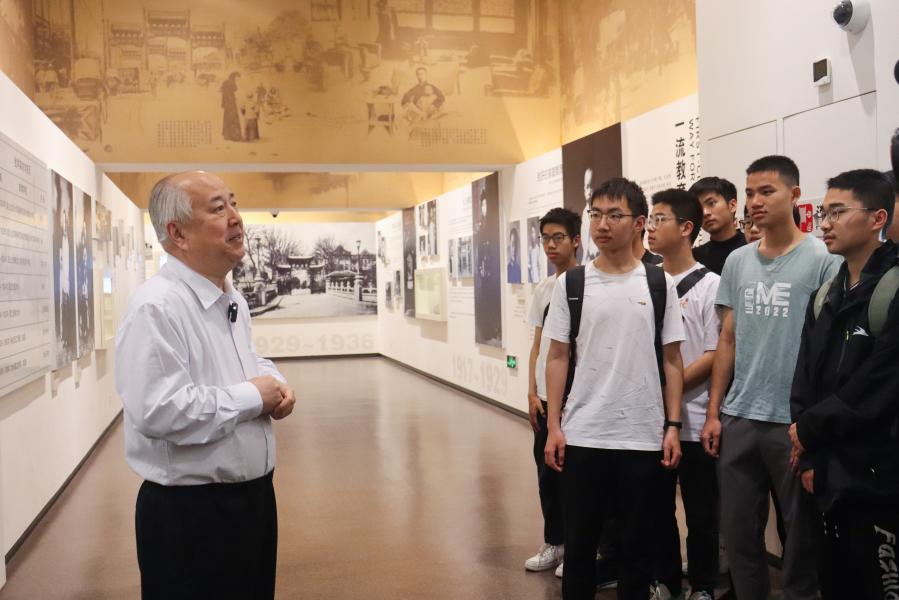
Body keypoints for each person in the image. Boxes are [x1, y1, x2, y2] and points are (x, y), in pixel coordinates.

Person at [116, 171, 297, 599]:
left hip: (251, 502)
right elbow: (160, 410)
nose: (236, 217)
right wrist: (254, 396)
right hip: (193, 515)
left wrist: (275, 382)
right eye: (218, 208)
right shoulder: (157, 307)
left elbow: (245, 360)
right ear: (178, 233)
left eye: (234, 203)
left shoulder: (231, 298)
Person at [701, 156, 841, 600]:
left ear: (794, 195)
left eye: (767, 191)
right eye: (750, 193)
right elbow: (727, 338)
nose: (755, 202)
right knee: (739, 533)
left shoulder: (822, 259)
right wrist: (714, 412)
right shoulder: (738, 261)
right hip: (740, 415)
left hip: (792, 422)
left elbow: (828, 350)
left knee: (801, 538)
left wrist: (813, 424)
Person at [543, 177, 685, 600]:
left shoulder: (659, 284)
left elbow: (672, 359)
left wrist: (673, 425)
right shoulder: (573, 284)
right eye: (596, 214)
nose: (602, 224)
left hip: (642, 437)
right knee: (580, 549)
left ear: (639, 223)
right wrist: (554, 426)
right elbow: (558, 356)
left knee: (636, 552)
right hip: (583, 435)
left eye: (614, 215)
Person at [789, 169, 899, 600]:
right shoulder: (826, 293)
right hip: (827, 472)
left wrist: (810, 429)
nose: (826, 223)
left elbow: (881, 384)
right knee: (834, 581)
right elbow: (805, 378)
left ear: (877, 218)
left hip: (881, 476)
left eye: (837, 212)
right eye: (823, 213)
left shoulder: (893, 288)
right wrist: (808, 453)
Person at [647, 189, 721, 600]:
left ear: (686, 228)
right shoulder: (646, 280)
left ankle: (704, 586)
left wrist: (667, 390)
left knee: (701, 513)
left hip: (693, 419)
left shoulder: (711, 285)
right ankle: (666, 581)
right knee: (657, 509)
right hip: (651, 421)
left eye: (660, 219)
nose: (651, 227)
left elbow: (713, 353)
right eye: (650, 219)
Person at [524, 208, 580, 574]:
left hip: (575, 398)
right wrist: (531, 392)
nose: (551, 245)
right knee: (547, 477)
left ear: (576, 240)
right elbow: (538, 345)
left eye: (558, 237)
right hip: (544, 399)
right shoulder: (544, 288)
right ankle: (555, 542)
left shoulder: (584, 285)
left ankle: (578, 548)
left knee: (575, 479)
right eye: (545, 238)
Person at [690, 177, 746, 275]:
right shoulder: (694, 258)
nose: (705, 213)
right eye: (698, 208)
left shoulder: (752, 247)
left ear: (732, 205)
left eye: (711, 203)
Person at [579, 168, 599, 264]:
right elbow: (585, 238)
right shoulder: (584, 213)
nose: (589, 191)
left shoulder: (599, 213)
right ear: (584, 189)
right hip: (588, 259)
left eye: (591, 187)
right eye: (587, 187)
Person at [220, 72, 242, 142]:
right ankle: (234, 136)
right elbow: (235, 89)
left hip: (226, 103)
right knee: (233, 118)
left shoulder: (225, 82)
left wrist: (223, 103)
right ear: (233, 77)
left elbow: (221, 91)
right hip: (231, 102)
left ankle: (227, 135)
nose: (236, 80)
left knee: (227, 118)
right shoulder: (232, 82)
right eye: (236, 78)